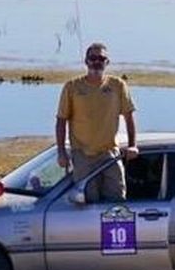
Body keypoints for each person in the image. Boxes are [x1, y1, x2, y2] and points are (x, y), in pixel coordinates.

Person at [55, 42, 138, 201]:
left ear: (107, 62)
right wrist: (61, 152)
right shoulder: (72, 87)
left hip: (110, 154)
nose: (97, 62)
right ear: (86, 61)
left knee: (117, 201)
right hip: (83, 155)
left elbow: (129, 116)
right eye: (93, 58)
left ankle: (115, 226)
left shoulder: (117, 85)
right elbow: (61, 120)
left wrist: (133, 145)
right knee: (88, 200)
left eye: (101, 58)